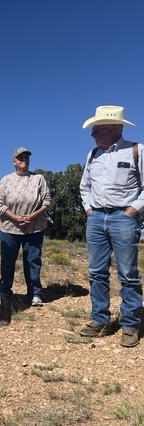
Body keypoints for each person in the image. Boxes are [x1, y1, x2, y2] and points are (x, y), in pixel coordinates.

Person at [79, 105, 143, 348]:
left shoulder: (136, 151)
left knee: (128, 274)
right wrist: (88, 209)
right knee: (96, 272)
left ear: (113, 129)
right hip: (96, 219)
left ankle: (129, 325)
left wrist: (132, 210)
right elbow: (84, 186)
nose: (92, 134)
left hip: (123, 218)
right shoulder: (92, 154)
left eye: (96, 130)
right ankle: (99, 320)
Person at [0, 147, 51, 307]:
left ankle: (35, 293)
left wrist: (31, 216)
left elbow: (46, 201)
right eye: (20, 158)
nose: (24, 160)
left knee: (33, 260)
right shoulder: (6, 180)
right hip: (8, 227)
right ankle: (4, 292)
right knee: (8, 261)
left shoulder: (38, 178)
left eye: (26, 157)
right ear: (14, 162)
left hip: (34, 227)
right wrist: (15, 218)